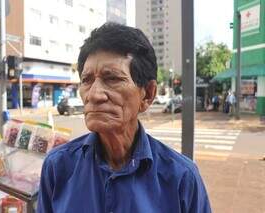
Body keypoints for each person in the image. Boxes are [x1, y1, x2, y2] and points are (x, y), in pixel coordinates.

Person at [37, 23, 211, 213]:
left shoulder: (182, 178)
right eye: (87, 80)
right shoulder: (57, 167)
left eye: (112, 79)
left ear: (147, 95)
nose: (94, 95)